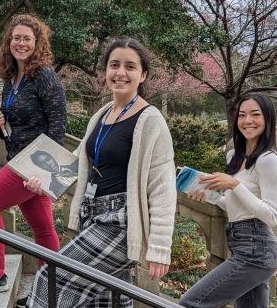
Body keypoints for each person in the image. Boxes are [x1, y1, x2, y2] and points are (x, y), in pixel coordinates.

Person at [21, 37, 177, 308]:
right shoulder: (103, 115)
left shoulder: (150, 119)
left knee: (50, 277)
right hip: (92, 214)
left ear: (143, 75)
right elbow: (79, 165)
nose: (121, 72)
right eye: (114, 65)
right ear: (105, 72)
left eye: (130, 66)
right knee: (106, 300)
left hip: (120, 222)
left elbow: (162, 187)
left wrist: (160, 248)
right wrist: (44, 181)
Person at [0, 14, 66, 294]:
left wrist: (44, 174)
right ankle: (48, 291)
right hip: (17, 157)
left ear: (37, 43)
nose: (20, 43)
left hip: (33, 164)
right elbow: (11, 127)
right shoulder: (11, 78)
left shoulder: (44, 76)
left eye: (27, 39)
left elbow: (58, 126)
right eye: (16, 38)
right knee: (42, 229)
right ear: (9, 42)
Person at [178, 93, 277, 308]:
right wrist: (211, 196)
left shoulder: (268, 160)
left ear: (268, 119)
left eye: (255, 114)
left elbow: (273, 216)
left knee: (191, 303)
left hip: (257, 250)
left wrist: (235, 185)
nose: (247, 121)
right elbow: (237, 207)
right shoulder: (234, 156)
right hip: (241, 243)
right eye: (242, 115)